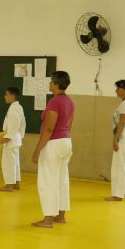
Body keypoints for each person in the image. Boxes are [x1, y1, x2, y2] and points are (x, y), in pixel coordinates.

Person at [31, 72, 74, 228]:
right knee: (62, 179)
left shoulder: (54, 102)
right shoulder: (70, 101)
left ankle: (48, 218)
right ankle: (60, 215)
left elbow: (49, 128)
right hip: (66, 141)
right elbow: (69, 125)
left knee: (48, 180)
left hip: (54, 143)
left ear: (56, 84)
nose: (49, 84)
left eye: (51, 82)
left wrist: (37, 150)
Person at [0, 87, 25, 192]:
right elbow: (23, 124)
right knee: (15, 162)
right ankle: (16, 183)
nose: (5, 96)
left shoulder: (14, 108)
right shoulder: (18, 107)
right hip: (15, 138)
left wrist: (7, 138)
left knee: (8, 163)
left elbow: (14, 124)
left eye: (6, 94)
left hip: (11, 138)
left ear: (12, 96)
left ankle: (9, 185)